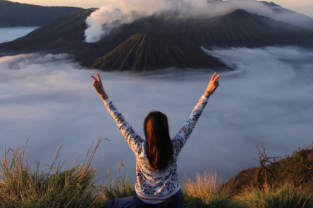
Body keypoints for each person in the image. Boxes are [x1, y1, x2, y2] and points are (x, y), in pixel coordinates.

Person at [91, 72, 220, 208]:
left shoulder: (138, 147)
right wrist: (207, 92)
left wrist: (102, 93)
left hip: (142, 202)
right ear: (166, 130)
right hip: (170, 201)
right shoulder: (175, 146)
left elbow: (119, 120)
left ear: (147, 131)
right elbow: (192, 120)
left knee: (115, 204)